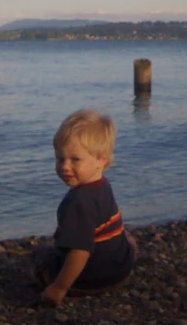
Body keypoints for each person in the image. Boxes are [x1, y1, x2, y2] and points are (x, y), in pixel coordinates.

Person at [32, 109, 137, 306]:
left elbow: (80, 252)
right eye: (60, 158)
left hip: (91, 281)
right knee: (122, 236)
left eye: (75, 160)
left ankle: (64, 284)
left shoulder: (77, 202)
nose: (64, 166)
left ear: (101, 160)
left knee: (40, 255)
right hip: (121, 271)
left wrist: (59, 288)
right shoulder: (103, 185)